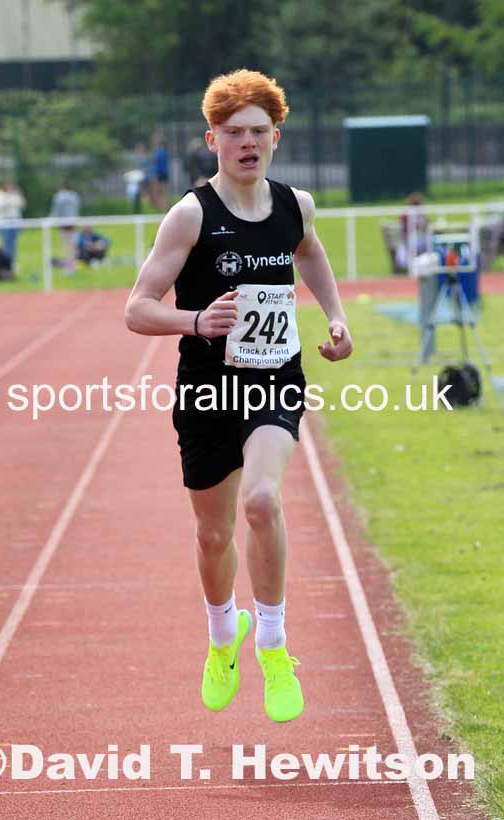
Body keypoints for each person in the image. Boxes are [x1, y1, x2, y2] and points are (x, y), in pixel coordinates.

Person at [125, 69, 352, 723]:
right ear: (213, 140)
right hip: (205, 389)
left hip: (275, 378)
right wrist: (197, 321)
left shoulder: (294, 205)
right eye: (234, 134)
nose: (247, 143)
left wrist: (335, 316)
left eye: (258, 132)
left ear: (275, 138)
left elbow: (309, 254)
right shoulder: (191, 214)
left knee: (260, 501)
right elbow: (137, 310)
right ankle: (223, 637)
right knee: (211, 533)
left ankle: (274, 647)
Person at [0, 179, 26, 271]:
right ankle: (5, 264)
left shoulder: (15, 193)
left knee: (13, 244)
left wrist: (17, 196)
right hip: (3, 222)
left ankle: (12, 263)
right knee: (6, 244)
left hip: (14, 220)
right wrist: (9, 197)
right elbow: (0, 205)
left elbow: (21, 204)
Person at [50, 181, 81, 273]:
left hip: (64, 223)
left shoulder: (59, 196)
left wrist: (51, 220)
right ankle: (73, 266)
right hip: (73, 223)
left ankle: (69, 267)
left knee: (67, 246)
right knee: (73, 246)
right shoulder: (75, 196)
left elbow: (56, 211)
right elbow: (77, 209)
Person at [396, 192, 431, 270]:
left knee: (428, 239)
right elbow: (413, 226)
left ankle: (426, 264)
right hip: (408, 240)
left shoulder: (419, 211)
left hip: (413, 239)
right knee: (427, 241)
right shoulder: (407, 212)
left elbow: (426, 223)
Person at [151, 136, 169, 211]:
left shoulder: (160, 152)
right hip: (163, 174)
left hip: (160, 175)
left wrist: (156, 174)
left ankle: (163, 207)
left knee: (157, 193)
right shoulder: (164, 152)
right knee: (162, 192)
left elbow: (159, 166)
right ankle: (164, 207)